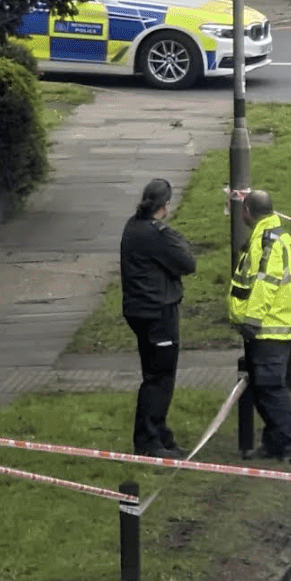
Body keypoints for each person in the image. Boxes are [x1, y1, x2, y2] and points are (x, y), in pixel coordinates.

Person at [120, 178, 197, 457]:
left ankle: (161, 434)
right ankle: (149, 441)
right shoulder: (157, 234)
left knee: (154, 374)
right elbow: (188, 262)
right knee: (160, 378)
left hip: (139, 312)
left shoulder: (132, 226)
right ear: (165, 205)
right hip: (158, 313)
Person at [230, 191, 291, 461]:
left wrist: (250, 321)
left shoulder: (267, 241)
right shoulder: (277, 235)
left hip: (267, 328)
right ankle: (273, 443)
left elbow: (265, 285)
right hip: (272, 325)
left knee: (271, 389)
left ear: (246, 212)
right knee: (262, 389)